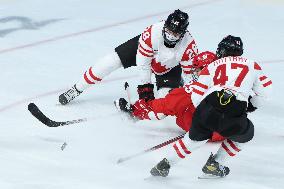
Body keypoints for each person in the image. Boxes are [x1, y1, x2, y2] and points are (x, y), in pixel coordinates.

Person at [149, 35, 273, 178]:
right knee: (246, 133)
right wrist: (251, 105)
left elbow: (197, 95)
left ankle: (164, 165)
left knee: (192, 141)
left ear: (221, 51)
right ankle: (214, 164)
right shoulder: (253, 65)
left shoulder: (212, 65)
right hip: (234, 111)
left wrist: (203, 115)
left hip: (207, 107)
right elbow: (266, 92)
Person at [58, 9, 198, 105]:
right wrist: (145, 86)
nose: (170, 35)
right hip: (145, 54)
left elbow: (191, 78)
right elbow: (143, 64)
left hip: (169, 68)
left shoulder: (189, 47)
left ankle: (174, 86)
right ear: (164, 25)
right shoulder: (151, 33)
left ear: (183, 33)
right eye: (168, 30)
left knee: (165, 99)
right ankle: (77, 88)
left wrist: (193, 99)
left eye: (175, 34)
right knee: (109, 62)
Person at [115, 51, 224, 142]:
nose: (195, 72)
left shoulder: (196, 87)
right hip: (226, 130)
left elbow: (167, 105)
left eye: (198, 70)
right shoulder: (228, 80)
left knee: (173, 105)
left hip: (204, 131)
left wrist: (144, 104)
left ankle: (134, 113)